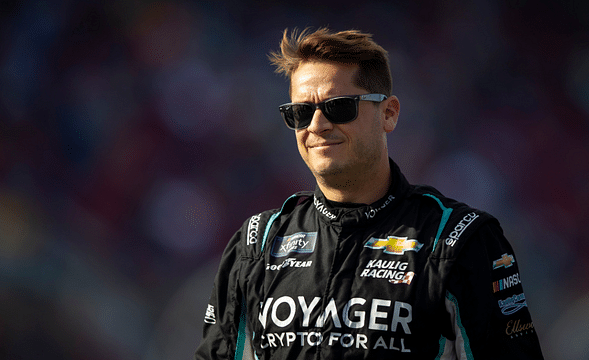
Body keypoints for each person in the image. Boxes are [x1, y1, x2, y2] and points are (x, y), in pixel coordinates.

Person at [195, 27, 545, 360]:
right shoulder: (258, 242)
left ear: (389, 113)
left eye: (339, 107)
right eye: (301, 113)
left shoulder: (459, 239)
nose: (317, 125)